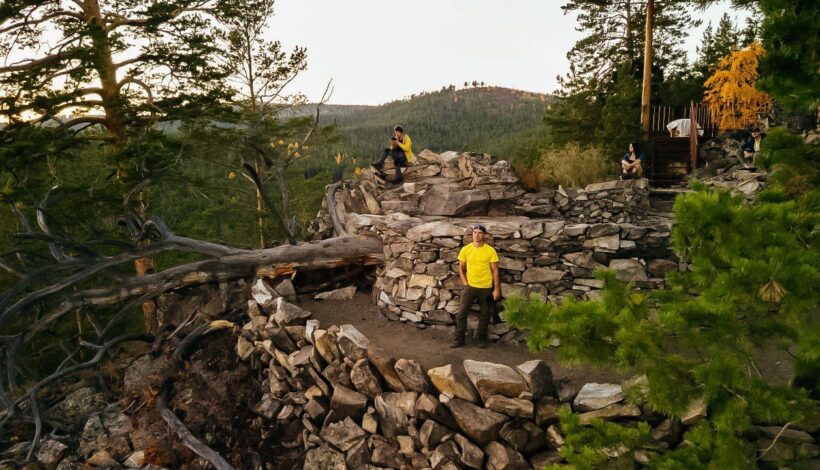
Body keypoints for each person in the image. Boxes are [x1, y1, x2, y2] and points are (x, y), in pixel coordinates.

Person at [451, 225, 501, 349]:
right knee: (461, 314)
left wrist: (496, 289)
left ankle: (481, 339)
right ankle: (459, 339)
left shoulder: (490, 250)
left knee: (485, 315)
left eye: (479, 233)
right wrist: (465, 283)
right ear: (472, 234)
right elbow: (461, 268)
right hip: (470, 287)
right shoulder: (466, 249)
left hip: (486, 288)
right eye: (474, 232)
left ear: (484, 235)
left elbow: (495, 271)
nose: (476, 235)